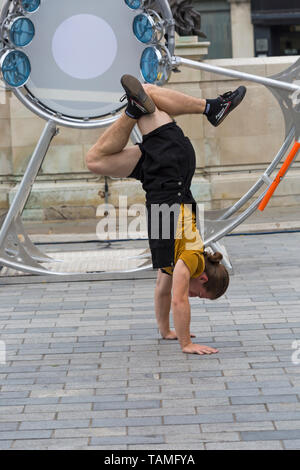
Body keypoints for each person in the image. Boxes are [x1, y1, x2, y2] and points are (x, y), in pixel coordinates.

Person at [86, 75, 246, 355]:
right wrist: (187, 343)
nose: (193, 296)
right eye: (200, 295)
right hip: (169, 166)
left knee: (95, 161)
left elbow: (163, 290)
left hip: (161, 173)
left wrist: (166, 330)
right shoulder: (193, 259)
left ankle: (139, 109)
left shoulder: (175, 260)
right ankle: (212, 107)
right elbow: (178, 300)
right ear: (204, 279)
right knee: (148, 93)